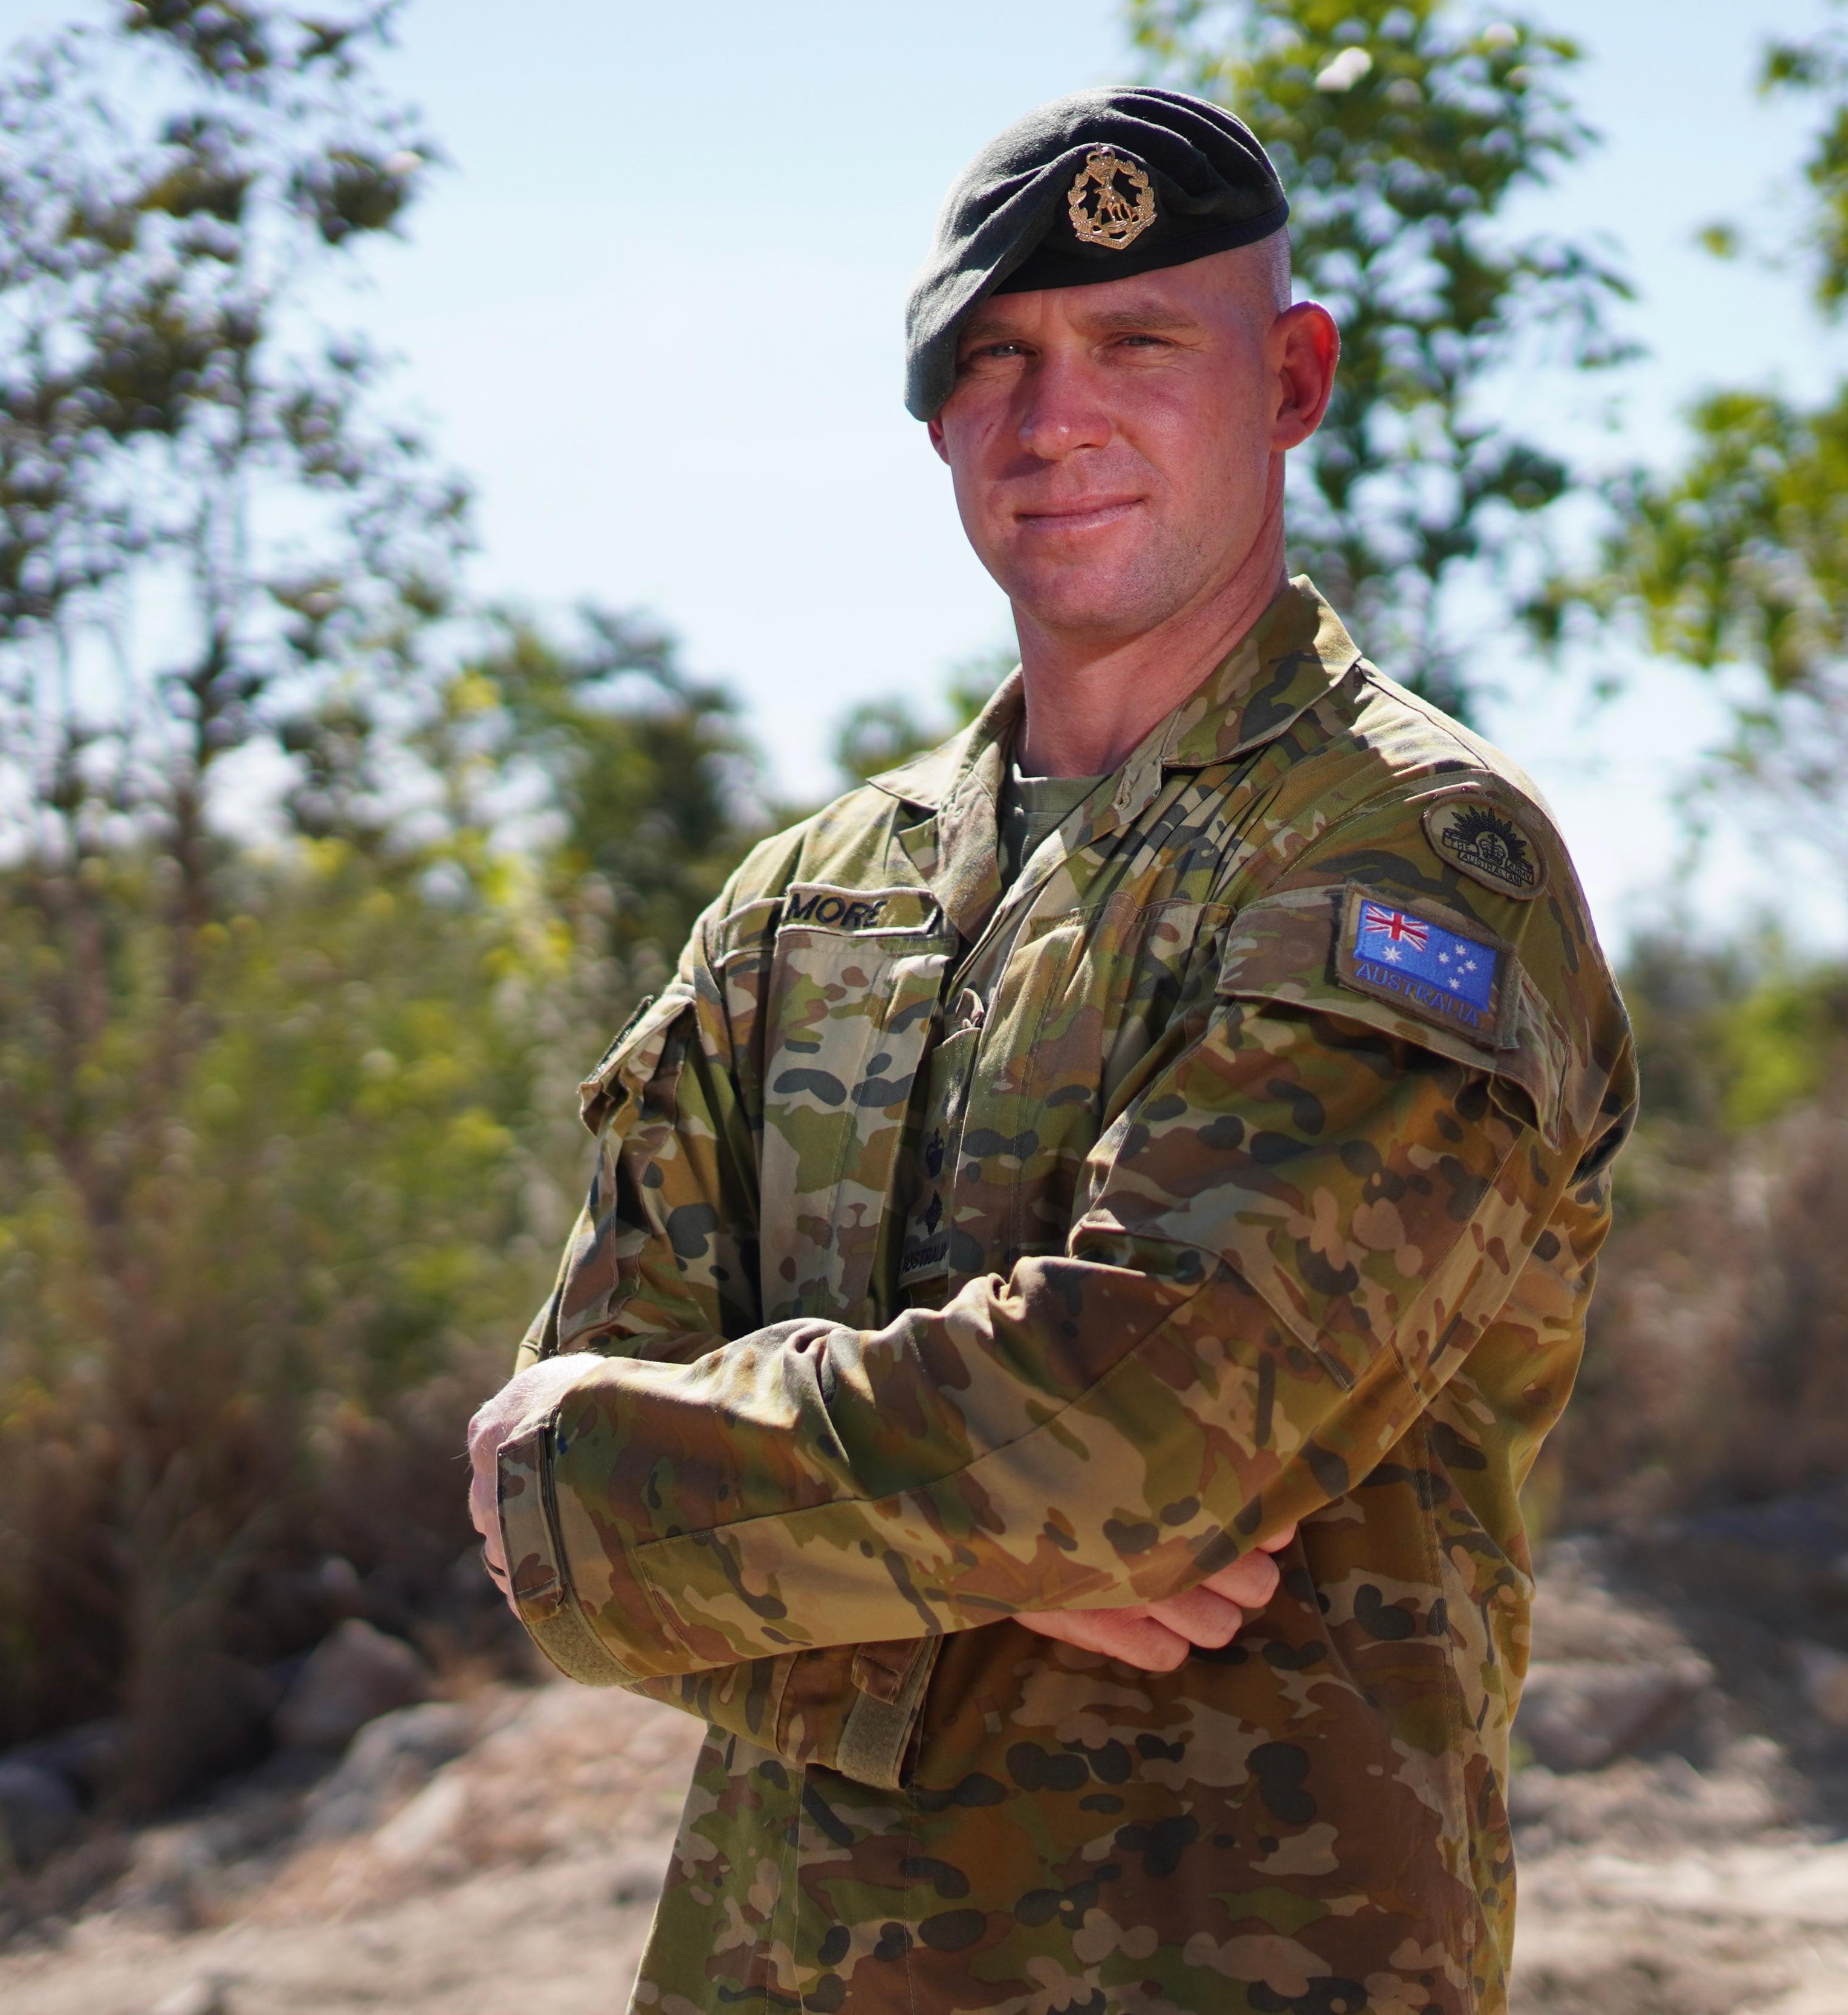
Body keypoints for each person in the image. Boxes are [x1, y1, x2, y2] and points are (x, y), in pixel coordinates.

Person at [467, 84, 1635, 2015]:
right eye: (993, 360)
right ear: (934, 422)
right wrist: (1009, 1544)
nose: (1054, 416)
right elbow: (558, 1531)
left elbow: (1150, 1429)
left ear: (1291, 377)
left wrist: (661, 1497)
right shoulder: (800, 903)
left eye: (1139, 343)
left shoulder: (1409, 855)